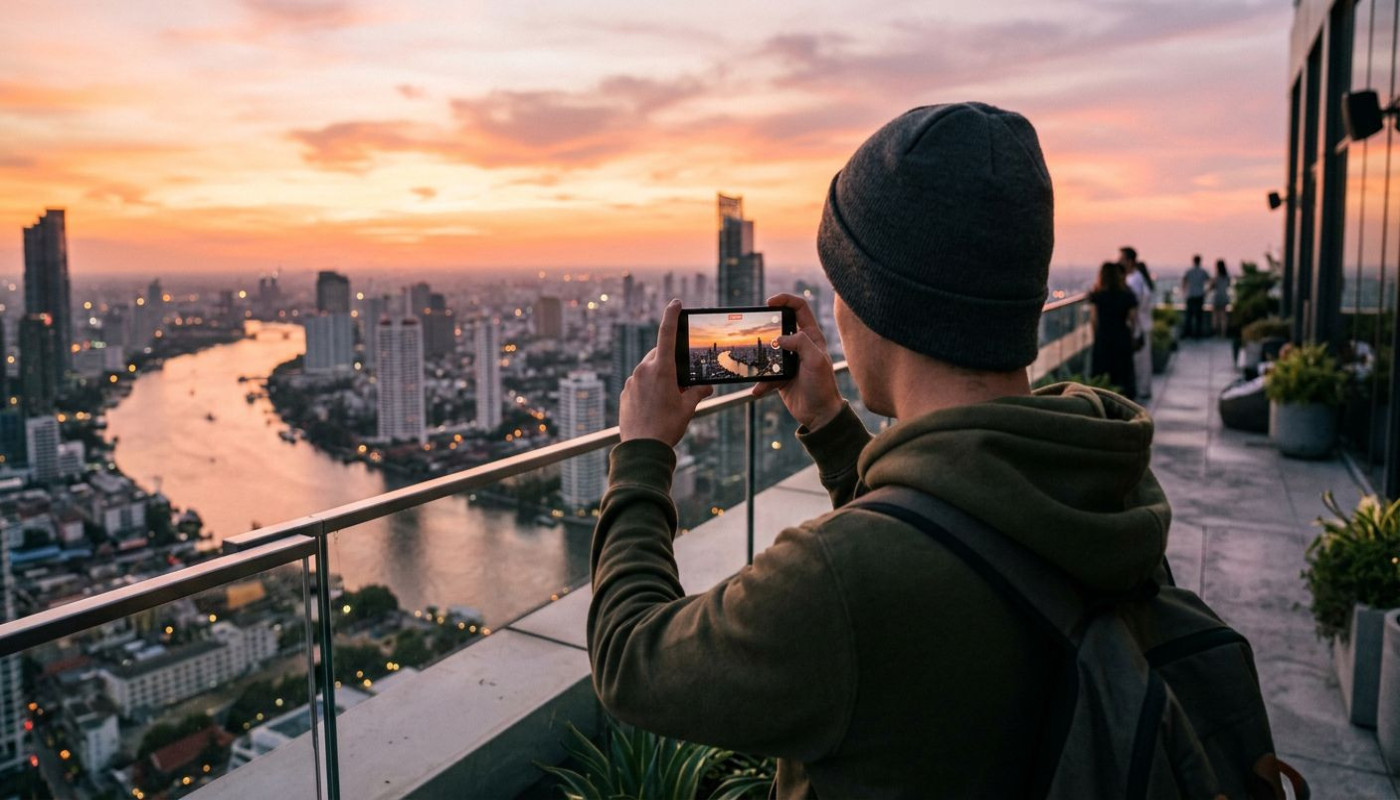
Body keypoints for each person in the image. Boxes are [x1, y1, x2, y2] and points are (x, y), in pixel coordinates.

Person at [589, 104, 1173, 798]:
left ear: (873, 302)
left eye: (839, 284)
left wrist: (643, 452)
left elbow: (631, 660)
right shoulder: (1100, 479)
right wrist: (829, 424)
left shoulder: (833, 580)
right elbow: (957, 533)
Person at [1089, 260, 1139, 400]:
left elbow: (1094, 320)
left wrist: (1097, 336)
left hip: (1103, 337)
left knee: (1102, 372)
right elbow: (1132, 320)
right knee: (1123, 372)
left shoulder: (1098, 296)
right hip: (1122, 336)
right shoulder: (1128, 296)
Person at [1121, 248, 1154, 399]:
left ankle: (1141, 390)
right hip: (1142, 324)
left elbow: (1132, 306)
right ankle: (1143, 389)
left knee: (1139, 362)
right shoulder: (1138, 277)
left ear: (1130, 261)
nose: (1119, 262)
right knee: (1142, 361)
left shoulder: (1134, 280)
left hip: (1138, 326)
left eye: (1122, 259)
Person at [1182, 254, 1210, 339]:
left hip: (1191, 295)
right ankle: (1198, 334)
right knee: (1199, 316)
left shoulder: (1189, 271)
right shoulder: (1203, 272)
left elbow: (1184, 281)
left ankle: (1188, 333)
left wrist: (1184, 291)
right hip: (1199, 295)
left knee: (1189, 316)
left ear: (1193, 261)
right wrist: (1206, 291)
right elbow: (1209, 281)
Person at [1211, 258, 1232, 338]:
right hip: (1225, 296)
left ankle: (1216, 332)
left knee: (1216, 316)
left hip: (1217, 297)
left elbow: (1212, 286)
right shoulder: (1227, 277)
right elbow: (1228, 285)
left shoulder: (1216, 277)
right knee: (1224, 316)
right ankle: (1224, 333)